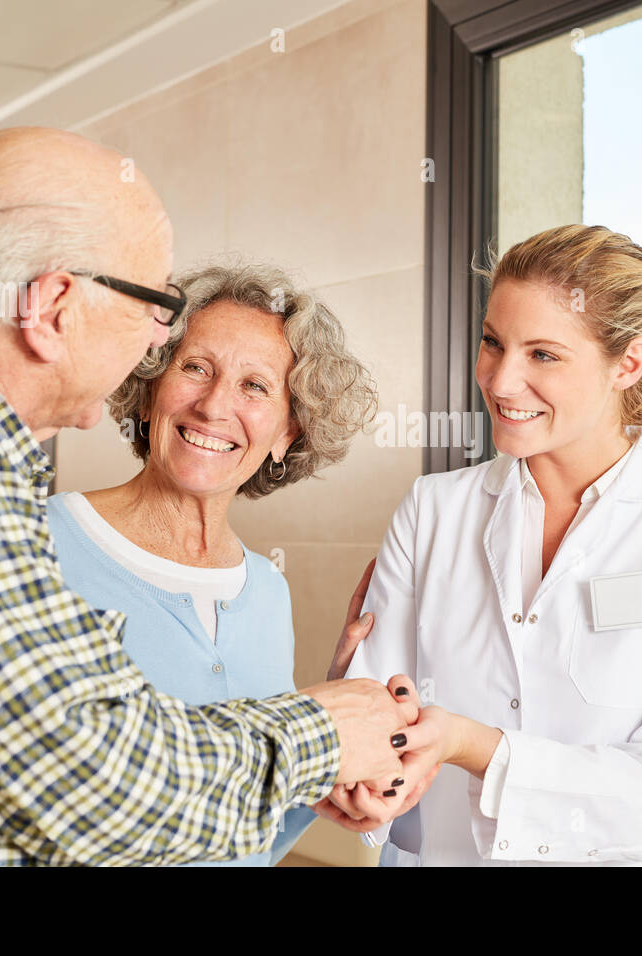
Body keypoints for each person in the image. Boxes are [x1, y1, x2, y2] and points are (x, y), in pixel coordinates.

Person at [0, 126, 415, 865]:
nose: (153, 338)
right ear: (52, 307)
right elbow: (90, 778)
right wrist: (322, 734)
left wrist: (316, 758)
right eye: (150, 303)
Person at [317, 224, 642, 865]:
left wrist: (473, 745)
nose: (501, 382)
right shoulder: (433, 511)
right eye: (493, 343)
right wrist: (363, 775)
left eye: (543, 355)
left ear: (629, 363)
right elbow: (379, 725)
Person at [47, 261, 385, 866]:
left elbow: (243, 838)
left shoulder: (266, 592)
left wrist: (328, 760)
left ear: (289, 430)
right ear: (150, 388)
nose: (212, 405)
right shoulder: (40, 543)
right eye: (195, 368)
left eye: (255, 386)